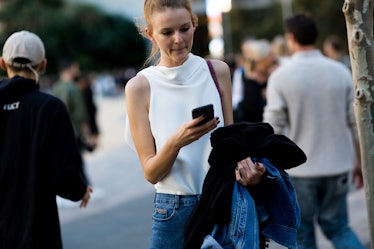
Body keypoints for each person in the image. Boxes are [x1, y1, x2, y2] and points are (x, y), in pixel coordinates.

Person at [124, 0, 266, 248]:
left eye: (184, 28)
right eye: (167, 32)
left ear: (195, 24)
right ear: (150, 34)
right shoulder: (139, 87)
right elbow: (151, 172)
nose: (178, 39)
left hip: (223, 202)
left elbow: (230, 150)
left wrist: (248, 171)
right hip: (174, 208)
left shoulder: (218, 71)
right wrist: (176, 142)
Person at [263, 13, 365, 249]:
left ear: (291, 38)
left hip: (300, 171)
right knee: (339, 228)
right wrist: (359, 163)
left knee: (303, 235)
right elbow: (355, 123)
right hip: (338, 165)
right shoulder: (340, 71)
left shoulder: (280, 77)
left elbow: (273, 126)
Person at [0, 30, 92, 248]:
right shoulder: (49, 108)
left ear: (3, 64)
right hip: (35, 231)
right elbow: (63, 173)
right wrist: (79, 190)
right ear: (43, 65)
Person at [51, 59, 95, 152]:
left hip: (59, 134)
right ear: (70, 69)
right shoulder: (74, 88)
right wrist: (88, 135)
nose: (78, 70)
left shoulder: (55, 88)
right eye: (76, 67)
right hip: (74, 133)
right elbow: (80, 115)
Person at [232, 38, 278, 123]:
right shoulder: (248, 80)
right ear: (261, 59)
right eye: (270, 55)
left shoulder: (274, 75)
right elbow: (249, 110)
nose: (273, 58)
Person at [74, 73, 99, 152]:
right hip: (89, 112)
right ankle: (91, 142)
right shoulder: (85, 90)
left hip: (89, 112)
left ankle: (91, 143)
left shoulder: (85, 91)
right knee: (89, 129)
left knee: (90, 128)